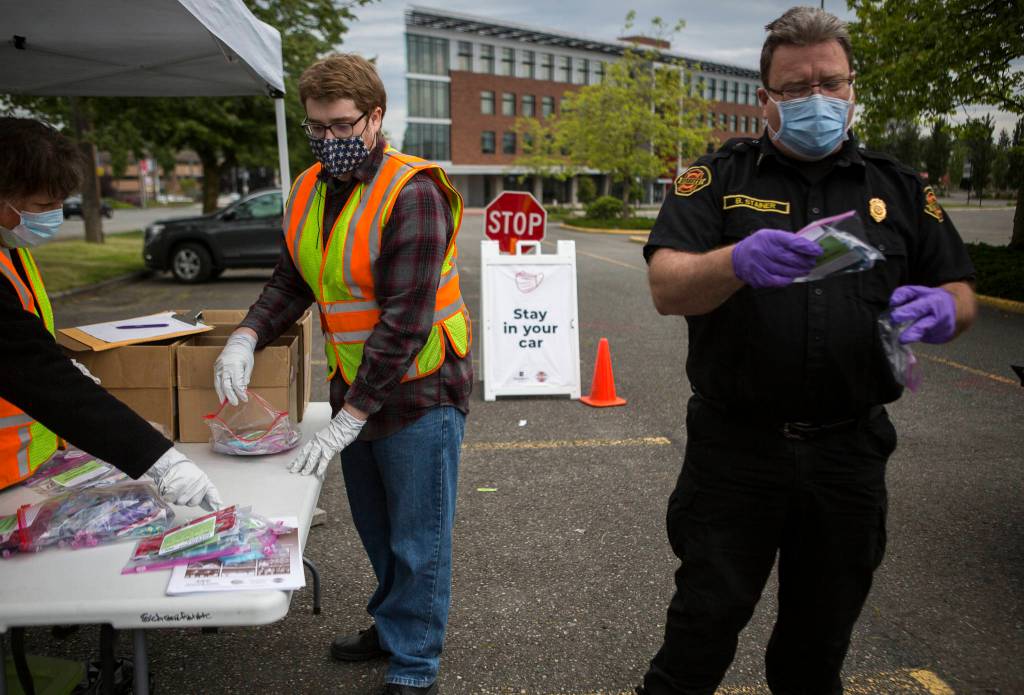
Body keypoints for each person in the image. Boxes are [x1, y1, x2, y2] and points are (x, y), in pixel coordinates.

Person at [637, 8, 977, 694]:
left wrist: (946, 310)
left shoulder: (899, 187)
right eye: (794, 88)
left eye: (830, 82)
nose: (815, 99)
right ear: (765, 99)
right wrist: (736, 260)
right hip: (736, 454)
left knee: (816, 650)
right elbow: (666, 284)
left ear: (853, 90)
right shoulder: (717, 179)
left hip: (847, 455)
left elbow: (960, 291)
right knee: (700, 632)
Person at [213, 53, 471, 695]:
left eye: (341, 125)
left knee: (419, 539)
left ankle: (415, 666)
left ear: (375, 117)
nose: (328, 141)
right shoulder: (309, 188)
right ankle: (392, 629)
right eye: (316, 128)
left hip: (420, 391)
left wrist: (348, 419)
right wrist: (246, 336)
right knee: (378, 530)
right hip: (355, 390)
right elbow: (292, 280)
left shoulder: (413, 192)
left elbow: (406, 321)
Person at [0, 117, 222, 510]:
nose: (54, 215)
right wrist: (157, 458)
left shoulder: (10, 244)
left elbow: (28, 342)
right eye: (42, 205)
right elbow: (32, 368)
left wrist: (66, 368)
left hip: (24, 473)